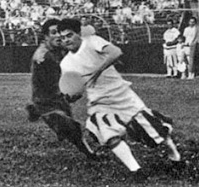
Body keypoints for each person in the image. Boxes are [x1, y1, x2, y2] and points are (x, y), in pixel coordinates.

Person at [58, 18, 183, 180]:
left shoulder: (92, 42)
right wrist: (72, 97)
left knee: (152, 130)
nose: (66, 40)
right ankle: (136, 170)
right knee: (108, 134)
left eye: (69, 35)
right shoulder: (66, 63)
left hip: (122, 95)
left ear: (78, 34)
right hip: (99, 101)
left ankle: (175, 157)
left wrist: (97, 71)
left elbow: (116, 52)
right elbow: (75, 88)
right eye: (62, 38)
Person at [26, 19, 96, 158]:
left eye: (59, 32)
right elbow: (50, 82)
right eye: (53, 33)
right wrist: (70, 92)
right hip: (45, 101)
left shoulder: (60, 49)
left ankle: (89, 153)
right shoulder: (43, 57)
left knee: (72, 130)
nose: (58, 36)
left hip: (59, 98)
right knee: (71, 126)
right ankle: (39, 112)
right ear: (46, 37)